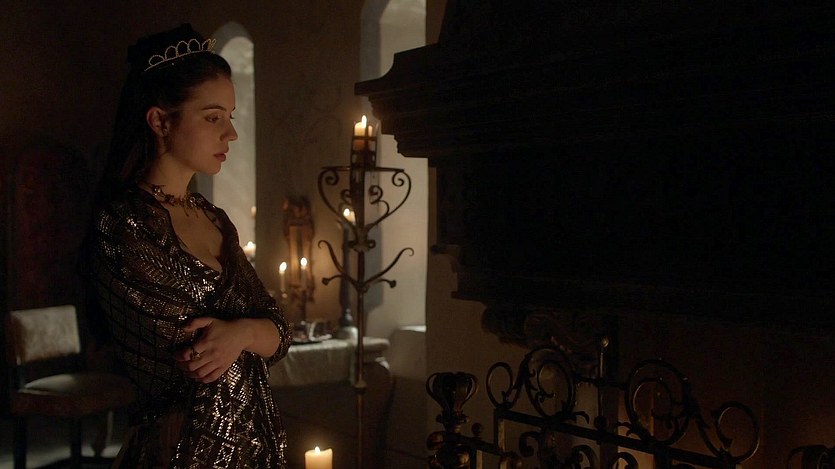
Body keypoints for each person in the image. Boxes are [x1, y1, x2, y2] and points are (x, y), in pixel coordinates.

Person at [84, 24, 291, 467]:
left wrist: (242, 333)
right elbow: (194, 353)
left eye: (230, 116)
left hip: (254, 448)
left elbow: (280, 331)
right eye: (213, 117)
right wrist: (251, 331)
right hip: (179, 449)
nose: (231, 133)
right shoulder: (122, 223)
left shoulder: (215, 220)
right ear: (160, 121)